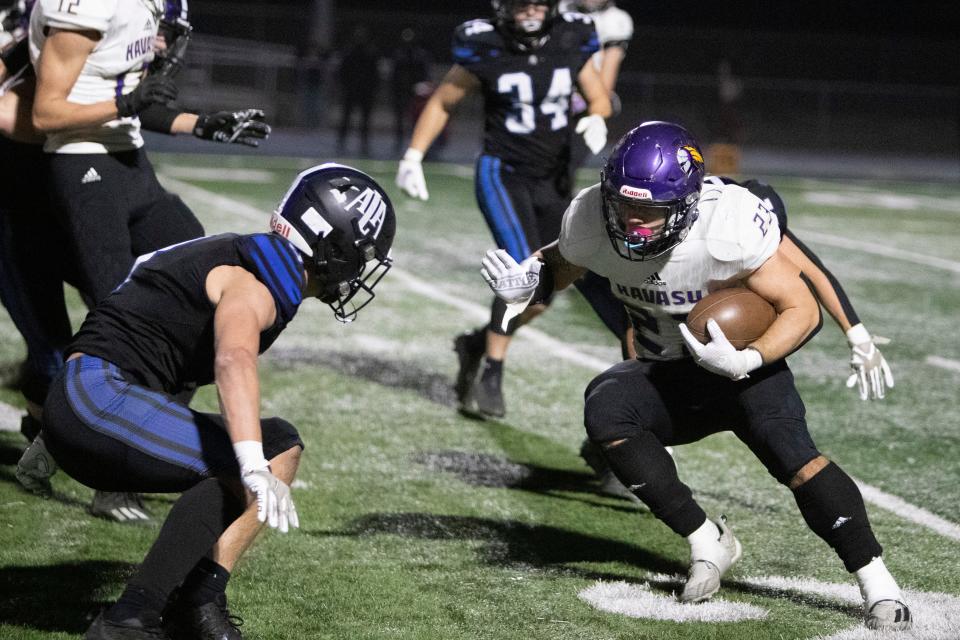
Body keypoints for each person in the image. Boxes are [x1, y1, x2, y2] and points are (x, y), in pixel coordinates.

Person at [479, 121, 911, 631]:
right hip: (667, 372)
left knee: (796, 459)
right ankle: (708, 540)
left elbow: (801, 307)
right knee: (606, 406)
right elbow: (561, 263)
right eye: (624, 204)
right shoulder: (592, 215)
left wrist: (751, 359)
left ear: (687, 202)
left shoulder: (727, 221)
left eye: (651, 210)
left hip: (744, 371)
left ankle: (878, 583)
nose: (634, 221)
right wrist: (530, 281)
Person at [38, 163, 396, 640]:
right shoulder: (257, 281)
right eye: (361, 253)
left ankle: (196, 600)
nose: (359, 269)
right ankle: (132, 620)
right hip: (95, 402)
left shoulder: (253, 257)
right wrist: (249, 462)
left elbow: (138, 326)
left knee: (279, 442)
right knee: (256, 454)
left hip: (89, 399)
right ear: (334, 246)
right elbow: (232, 360)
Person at [395, 0, 612, 419]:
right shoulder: (487, 45)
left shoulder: (571, 38)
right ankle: (492, 370)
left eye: (537, 3)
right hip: (504, 172)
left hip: (555, 176)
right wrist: (413, 155)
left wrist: (598, 117)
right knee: (523, 272)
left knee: (546, 291)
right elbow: (443, 101)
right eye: (520, 3)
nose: (529, 11)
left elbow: (598, 97)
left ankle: (476, 343)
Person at [336, 25, 381, 156]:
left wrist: (372, 89)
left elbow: (374, 74)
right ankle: (343, 141)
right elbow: (343, 72)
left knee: (364, 120)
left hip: (364, 91)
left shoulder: (370, 53)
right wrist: (345, 86)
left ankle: (363, 143)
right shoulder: (350, 53)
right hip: (352, 90)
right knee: (347, 118)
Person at [388, 27, 431, 152]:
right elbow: (394, 74)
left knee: (417, 120)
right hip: (401, 91)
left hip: (416, 93)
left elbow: (425, 73)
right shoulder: (398, 54)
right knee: (400, 119)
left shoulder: (420, 55)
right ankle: (399, 142)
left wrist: (422, 87)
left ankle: (417, 144)